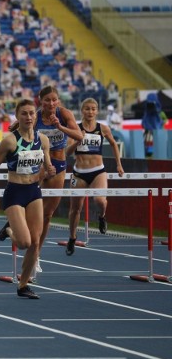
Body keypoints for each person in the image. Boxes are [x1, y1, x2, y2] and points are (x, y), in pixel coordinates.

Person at [0, 86, 83, 275]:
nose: (51, 104)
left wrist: (59, 126)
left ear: (58, 101)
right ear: (40, 101)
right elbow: (12, 135)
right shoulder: (32, 116)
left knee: (47, 215)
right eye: (47, 100)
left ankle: (36, 254)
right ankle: (16, 226)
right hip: (37, 166)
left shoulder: (64, 114)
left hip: (58, 165)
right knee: (29, 203)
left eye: (54, 100)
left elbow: (80, 136)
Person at [0, 99, 56, 299]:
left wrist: (49, 171)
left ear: (36, 115)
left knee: (35, 243)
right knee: (24, 243)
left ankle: (23, 285)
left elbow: (47, 168)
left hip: (34, 192)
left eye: (31, 113)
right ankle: (8, 230)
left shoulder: (43, 140)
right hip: (15, 193)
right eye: (24, 113)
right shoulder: (10, 141)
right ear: (17, 116)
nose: (28, 117)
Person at [65, 98, 125, 255]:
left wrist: (119, 164)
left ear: (97, 111)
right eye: (87, 109)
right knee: (75, 208)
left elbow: (113, 144)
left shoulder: (103, 128)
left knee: (99, 200)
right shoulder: (75, 128)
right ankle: (72, 238)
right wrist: (78, 140)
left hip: (98, 171)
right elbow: (67, 153)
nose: (90, 112)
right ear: (82, 110)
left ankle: (102, 216)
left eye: (93, 109)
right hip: (79, 173)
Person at [141, 93, 165, 158]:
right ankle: (149, 152)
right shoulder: (147, 113)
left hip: (157, 132)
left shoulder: (159, 113)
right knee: (148, 146)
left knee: (159, 146)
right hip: (149, 133)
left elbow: (162, 121)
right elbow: (143, 123)